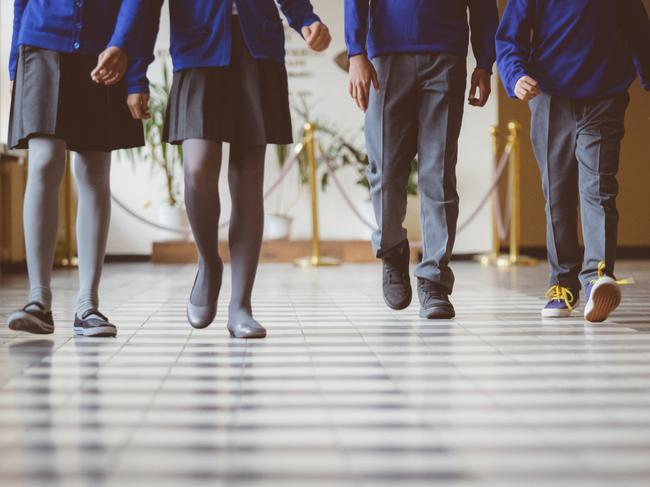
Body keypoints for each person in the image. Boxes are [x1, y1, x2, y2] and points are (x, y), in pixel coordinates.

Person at [137, 0, 331, 338]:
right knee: (197, 170)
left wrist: (305, 19)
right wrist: (135, 70)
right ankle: (209, 262)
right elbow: (142, 7)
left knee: (247, 182)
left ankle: (241, 305)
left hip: (258, 46)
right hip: (198, 46)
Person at [496, 0, 650, 322]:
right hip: (549, 97)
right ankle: (562, 284)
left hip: (604, 96)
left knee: (598, 188)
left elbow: (639, 31)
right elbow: (510, 37)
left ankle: (597, 276)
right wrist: (514, 76)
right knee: (558, 193)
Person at [345, 0, 499, 319]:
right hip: (386, 57)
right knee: (385, 170)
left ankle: (434, 279)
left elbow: (484, 5)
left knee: (438, 171)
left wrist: (485, 62)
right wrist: (355, 52)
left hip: (447, 56)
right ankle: (393, 250)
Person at [6, 0, 149, 337]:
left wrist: (134, 71)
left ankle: (88, 304)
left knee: (94, 170)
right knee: (43, 161)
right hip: (39, 43)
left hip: (106, 47)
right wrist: (15, 64)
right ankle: (37, 300)